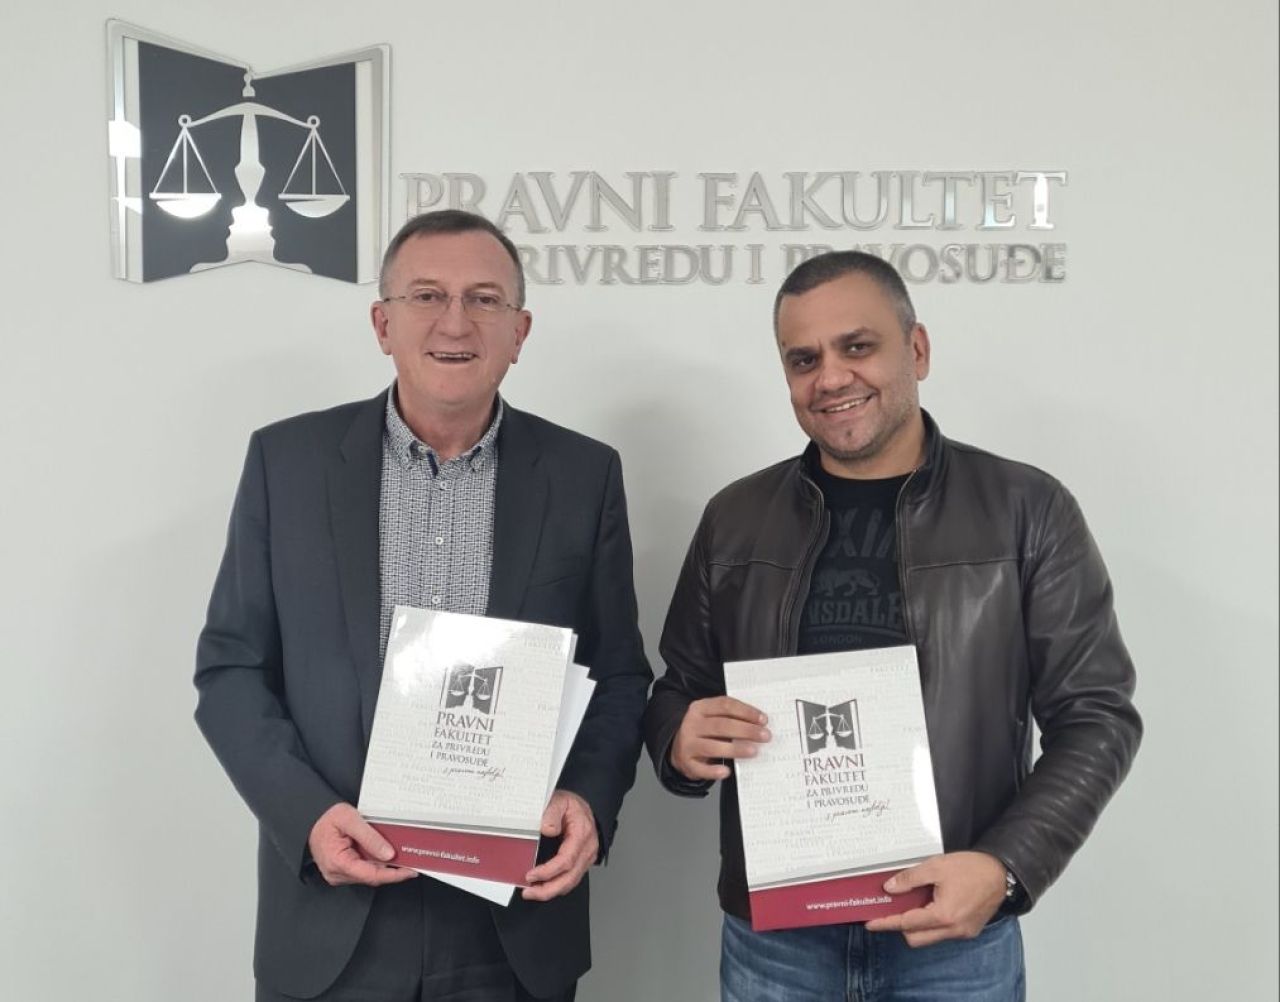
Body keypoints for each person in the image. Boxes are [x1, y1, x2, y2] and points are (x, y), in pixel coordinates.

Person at [643, 250, 1141, 1000]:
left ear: (918, 349)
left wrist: (1005, 866)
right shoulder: (735, 518)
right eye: (804, 359)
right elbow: (677, 689)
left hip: (952, 935)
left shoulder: (1027, 510)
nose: (830, 377)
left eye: (857, 346)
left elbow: (1098, 715)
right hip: (777, 942)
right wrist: (679, 738)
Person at [196, 209, 651, 1002]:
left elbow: (617, 675)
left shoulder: (584, 476)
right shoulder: (287, 463)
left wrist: (587, 798)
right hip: (334, 917)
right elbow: (231, 670)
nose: (455, 322)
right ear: (383, 323)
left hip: (513, 924)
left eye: (485, 299)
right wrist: (308, 817)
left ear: (520, 331)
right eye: (427, 295)